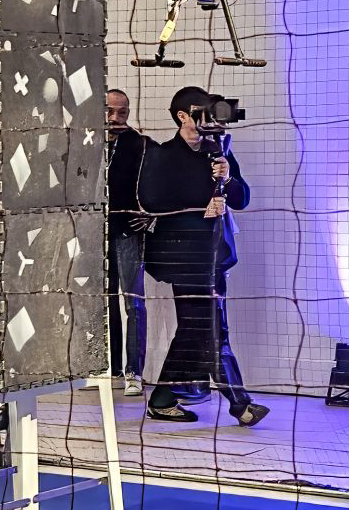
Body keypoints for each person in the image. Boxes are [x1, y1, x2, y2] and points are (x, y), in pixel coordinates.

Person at [137, 85, 268, 426]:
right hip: (184, 257)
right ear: (183, 116)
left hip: (215, 256)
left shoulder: (219, 151)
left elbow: (242, 199)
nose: (211, 117)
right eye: (203, 111)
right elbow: (152, 201)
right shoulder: (163, 154)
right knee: (211, 329)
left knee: (196, 329)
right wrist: (200, 203)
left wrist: (228, 177)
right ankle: (240, 404)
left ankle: (163, 399)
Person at [105, 89, 151, 397]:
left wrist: (151, 214)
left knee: (133, 303)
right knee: (103, 303)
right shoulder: (85, 142)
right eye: (110, 111)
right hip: (94, 235)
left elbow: (157, 186)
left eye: (122, 112)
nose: (116, 118)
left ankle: (135, 372)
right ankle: (110, 369)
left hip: (127, 233)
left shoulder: (140, 145)